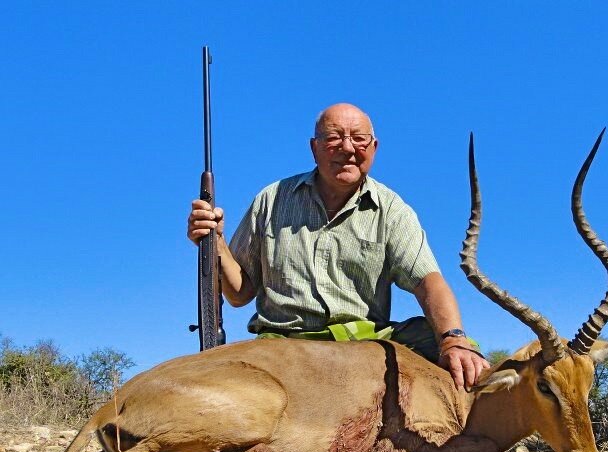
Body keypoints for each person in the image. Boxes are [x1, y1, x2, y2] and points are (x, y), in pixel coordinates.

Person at [187, 103, 489, 390]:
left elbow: (428, 282)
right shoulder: (271, 199)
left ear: (374, 148)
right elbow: (240, 293)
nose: (347, 148)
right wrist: (216, 242)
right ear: (314, 147)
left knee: (457, 348)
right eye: (333, 138)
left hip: (364, 340)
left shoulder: (392, 209)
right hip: (285, 341)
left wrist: (454, 340)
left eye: (358, 139)